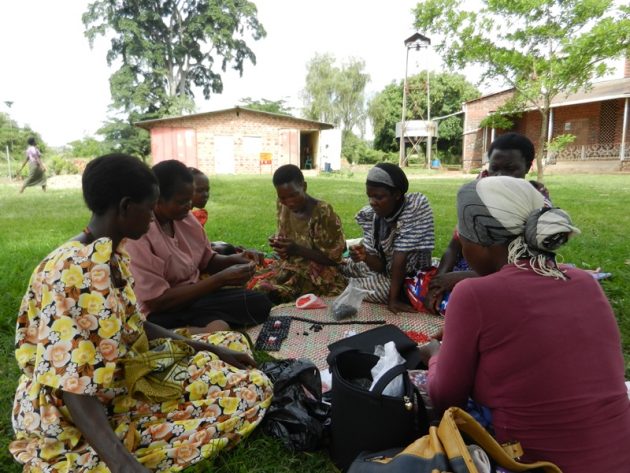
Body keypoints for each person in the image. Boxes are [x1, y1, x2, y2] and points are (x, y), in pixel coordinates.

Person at [10, 154, 273, 473]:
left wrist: (211, 349)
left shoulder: (109, 254)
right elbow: (72, 385)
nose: (153, 219)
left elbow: (136, 327)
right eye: (149, 209)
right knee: (249, 391)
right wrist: (123, 465)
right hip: (75, 413)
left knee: (241, 370)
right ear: (124, 207)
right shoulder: (71, 272)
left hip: (121, 379)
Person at [419, 176, 630, 472]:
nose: (460, 243)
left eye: (460, 234)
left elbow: (445, 397)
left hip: (538, 464)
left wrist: (436, 355)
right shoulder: (583, 281)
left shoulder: (474, 294)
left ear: (481, 241)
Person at [125, 160, 271, 330]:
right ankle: (197, 328)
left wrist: (237, 259)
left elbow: (206, 261)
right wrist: (220, 280)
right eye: (181, 202)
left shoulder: (186, 219)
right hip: (162, 310)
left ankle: (202, 325)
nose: (188, 206)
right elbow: (157, 301)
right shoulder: (140, 234)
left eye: (189, 200)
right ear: (157, 200)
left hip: (195, 297)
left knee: (259, 303)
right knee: (158, 321)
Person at [425, 132, 550, 313]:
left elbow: (528, 266)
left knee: (469, 305)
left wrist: (462, 278)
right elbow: (455, 245)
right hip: (473, 265)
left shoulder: (537, 202)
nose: (499, 175)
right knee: (420, 286)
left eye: (510, 168)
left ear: (528, 167)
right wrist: (437, 284)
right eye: (495, 168)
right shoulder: (478, 191)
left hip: (514, 273)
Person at [342, 163, 434, 313]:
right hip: (387, 270)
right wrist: (365, 256)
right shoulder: (374, 217)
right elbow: (380, 266)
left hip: (409, 275)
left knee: (358, 287)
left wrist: (393, 301)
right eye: (369, 196)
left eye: (378, 197)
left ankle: (400, 294)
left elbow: (401, 255)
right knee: (348, 268)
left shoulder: (416, 206)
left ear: (397, 194)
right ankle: (340, 274)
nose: (372, 202)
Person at [249, 164, 346, 303]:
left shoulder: (322, 213)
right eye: (283, 197)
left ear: (304, 186)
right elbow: (287, 236)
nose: (289, 202)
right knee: (252, 282)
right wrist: (281, 245)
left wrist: (296, 249)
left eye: (294, 195)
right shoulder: (283, 205)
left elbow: (334, 259)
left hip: (317, 274)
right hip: (290, 266)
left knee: (263, 291)